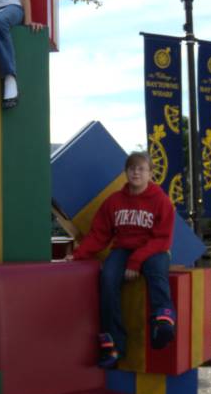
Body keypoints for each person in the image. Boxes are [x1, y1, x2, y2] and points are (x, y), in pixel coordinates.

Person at [71, 151, 176, 369]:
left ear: (150, 174)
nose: (136, 173)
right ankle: (114, 346)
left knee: (157, 271)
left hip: (154, 248)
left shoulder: (161, 201)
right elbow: (99, 234)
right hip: (123, 249)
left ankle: (163, 323)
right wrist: (78, 255)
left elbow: (162, 239)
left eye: (141, 169)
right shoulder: (114, 201)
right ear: (126, 172)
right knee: (108, 278)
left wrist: (135, 262)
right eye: (132, 168)